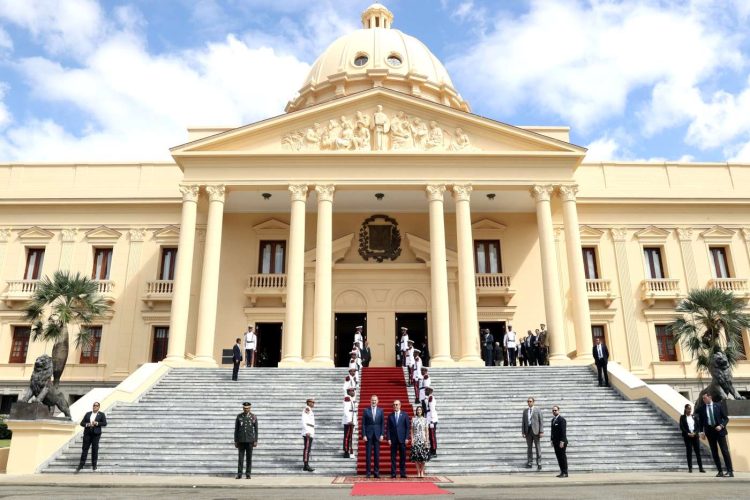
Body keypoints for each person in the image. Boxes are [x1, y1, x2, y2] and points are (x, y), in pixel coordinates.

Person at [697, 393, 734, 477]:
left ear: (710, 397)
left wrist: (721, 426)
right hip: (709, 432)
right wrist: (701, 432)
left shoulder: (718, 406)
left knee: (724, 451)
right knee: (714, 452)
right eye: (703, 399)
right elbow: (700, 422)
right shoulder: (702, 408)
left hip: (720, 431)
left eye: (705, 398)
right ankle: (720, 471)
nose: (703, 400)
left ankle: (730, 471)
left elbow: (726, 418)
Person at [76, 402, 107, 472]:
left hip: (96, 434)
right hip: (87, 434)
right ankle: (81, 464)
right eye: (94, 405)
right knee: (85, 449)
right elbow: (82, 423)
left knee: (95, 449)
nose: (95, 407)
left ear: (99, 407)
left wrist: (97, 423)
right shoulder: (88, 414)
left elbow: (105, 423)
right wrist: (88, 424)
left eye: (96, 406)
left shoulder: (101, 414)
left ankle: (94, 464)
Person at [362, 394, 385, 478]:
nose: (374, 401)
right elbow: (363, 424)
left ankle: (376, 472)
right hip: (368, 435)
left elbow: (382, 423)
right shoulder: (366, 410)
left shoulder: (380, 411)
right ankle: (368, 473)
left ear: (377, 401)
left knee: (376, 455)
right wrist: (364, 434)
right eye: (372, 400)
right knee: (368, 455)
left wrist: (382, 434)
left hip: (377, 435)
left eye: (375, 400)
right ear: (370, 401)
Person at [234, 401, 258, 479]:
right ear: (243, 408)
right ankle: (239, 473)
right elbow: (236, 429)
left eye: (247, 408)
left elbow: (256, 430)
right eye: (244, 408)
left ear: (250, 408)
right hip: (241, 440)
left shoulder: (253, 417)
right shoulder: (239, 416)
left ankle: (248, 473)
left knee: (249, 458)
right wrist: (236, 440)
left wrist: (255, 440)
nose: (246, 409)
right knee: (240, 458)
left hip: (250, 441)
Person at [387, 400, 411, 478]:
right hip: (393, 439)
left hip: (402, 439)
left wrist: (407, 437)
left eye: (397, 404)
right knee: (393, 458)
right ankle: (393, 473)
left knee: (403, 457)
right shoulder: (390, 416)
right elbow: (388, 428)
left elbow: (407, 427)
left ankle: (402, 473)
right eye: (394, 405)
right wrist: (389, 439)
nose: (395, 406)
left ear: (400, 405)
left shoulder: (404, 415)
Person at [679, 403, 705, 473]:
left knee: (698, 452)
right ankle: (690, 468)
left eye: (690, 409)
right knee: (689, 452)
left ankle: (701, 468)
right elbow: (682, 427)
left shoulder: (694, 416)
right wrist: (687, 433)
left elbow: (698, 426)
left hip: (695, 436)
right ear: (685, 409)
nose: (689, 410)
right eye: (688, 408)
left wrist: (695, 433)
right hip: (687, 437)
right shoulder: (682, 417)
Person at [522, 397, 543, 470]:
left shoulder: (537, 410)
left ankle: (539, 463)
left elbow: (541, 421)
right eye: (528, 401)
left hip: (536, 431)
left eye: (530, 401)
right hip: (528, 431)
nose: (529, 402)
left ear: (533, 402)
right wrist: (523, 432)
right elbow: (523, 422)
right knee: (529, 448)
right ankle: (530, 462)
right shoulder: (525, 411)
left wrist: (541, 431)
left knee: (537, 447)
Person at [410, 405, 430, 477]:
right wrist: (412, 439)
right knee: (416, 457)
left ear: (422, 411)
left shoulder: (425, 419)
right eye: (418, 410)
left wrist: (427, 440)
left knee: (423, 457)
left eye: (420, 410)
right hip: (416, 440)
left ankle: (422, 471)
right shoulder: (413, 419)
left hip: (423, 439)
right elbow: (412, 430)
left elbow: (427, 431)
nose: (419, 411)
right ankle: (418, 472)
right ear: (416, 411)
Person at [551, 405, 568, 478]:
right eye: (553, 410)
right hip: (555, 442)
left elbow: (563, 432)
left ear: (558, 411)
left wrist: (562, 441)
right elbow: (552, 431)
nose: (554, 411)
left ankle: (565, 472)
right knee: (558, 457)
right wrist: (551, 440)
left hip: (561, 442)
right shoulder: (553, 420)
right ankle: (562, 471)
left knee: (562, 457)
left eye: (555, 410)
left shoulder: (562, 420)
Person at [301, 398, 316, 472]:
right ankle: (305, 465)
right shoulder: (307, 409)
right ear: (308, 403)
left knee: (308, 449)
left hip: (310, 432)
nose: (313, 404)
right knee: (307, 449)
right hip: (308, 432)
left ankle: (306, 464)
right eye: (312, 402)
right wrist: (307, 431)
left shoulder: (310, 410)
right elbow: (304, 420)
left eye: (314, 402)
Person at [342, 388, 357, 458]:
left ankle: (349, 451)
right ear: (349, 392)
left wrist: (354, 422)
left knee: (350, 436)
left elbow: (353, 412)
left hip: (351, 421)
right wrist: (349, 421)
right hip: (349, 422)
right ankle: (346, 451)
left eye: (354, 391)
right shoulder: (347, 398)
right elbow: (346, 410)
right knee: (347, 437)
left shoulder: (351, 399)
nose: (354, 392)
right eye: (352, 391)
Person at [425, 387, 439, 457]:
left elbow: (432, 409)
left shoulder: (430, 398)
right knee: (431, 435)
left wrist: (431, 420)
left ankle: (434, 451)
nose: (425, 392)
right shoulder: (429, 398)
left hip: (431, 418)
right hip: (430, 417)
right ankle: (432, 449)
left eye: (426, 391)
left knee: (432, 436)